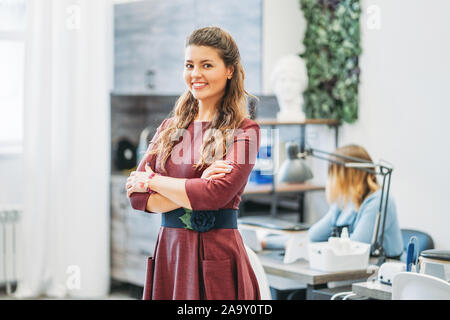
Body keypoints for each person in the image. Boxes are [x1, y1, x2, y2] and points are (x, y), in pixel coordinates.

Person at [125, 26, 261, 300]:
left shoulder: (245, 131)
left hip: (217, 257)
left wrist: (153, 181)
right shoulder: (169, 128)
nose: (195, 74)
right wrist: (196, 189)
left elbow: (215, 194)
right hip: (171, 254)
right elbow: (137, 197)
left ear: (229, 70)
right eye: (189, 65)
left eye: (206, 65)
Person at [263, 144, 403, 259]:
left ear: (349, 175)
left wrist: (321, 247)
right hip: (350, 270)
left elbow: (356, 245)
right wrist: (265, 242)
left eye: (333, 173)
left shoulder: (379, 200)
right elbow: (312, 236)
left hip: (380, 274)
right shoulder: (344, 203)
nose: (330, 179)